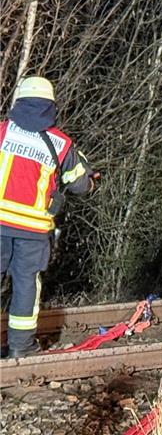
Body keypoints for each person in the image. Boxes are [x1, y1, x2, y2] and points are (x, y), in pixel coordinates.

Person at [1, 76, 96, 358]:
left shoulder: (3, 132)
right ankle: (20, 348)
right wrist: (91, 178)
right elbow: (81, 185)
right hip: (33, 231)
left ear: (18, 102)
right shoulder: (60, 144)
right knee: (26, 284)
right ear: (51, 106)